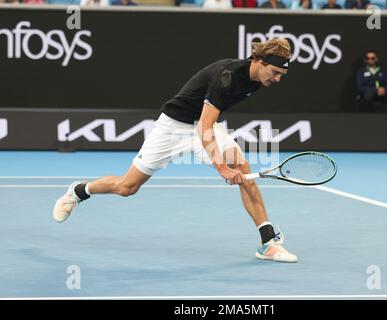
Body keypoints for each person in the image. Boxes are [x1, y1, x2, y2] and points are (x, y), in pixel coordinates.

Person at [53, 38, 298, 263]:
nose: (277, 79)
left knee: (243, 167)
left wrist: (229, 163)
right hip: (174, 126)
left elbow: (206, 123)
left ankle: (268, 242)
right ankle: (79, 191)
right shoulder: (228, 76)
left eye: (282, 75)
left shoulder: (257, 80)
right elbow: (204, 125)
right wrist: (221, 167)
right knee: (127, 187)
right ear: (258, 61)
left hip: (205, 124)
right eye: (275, 72)